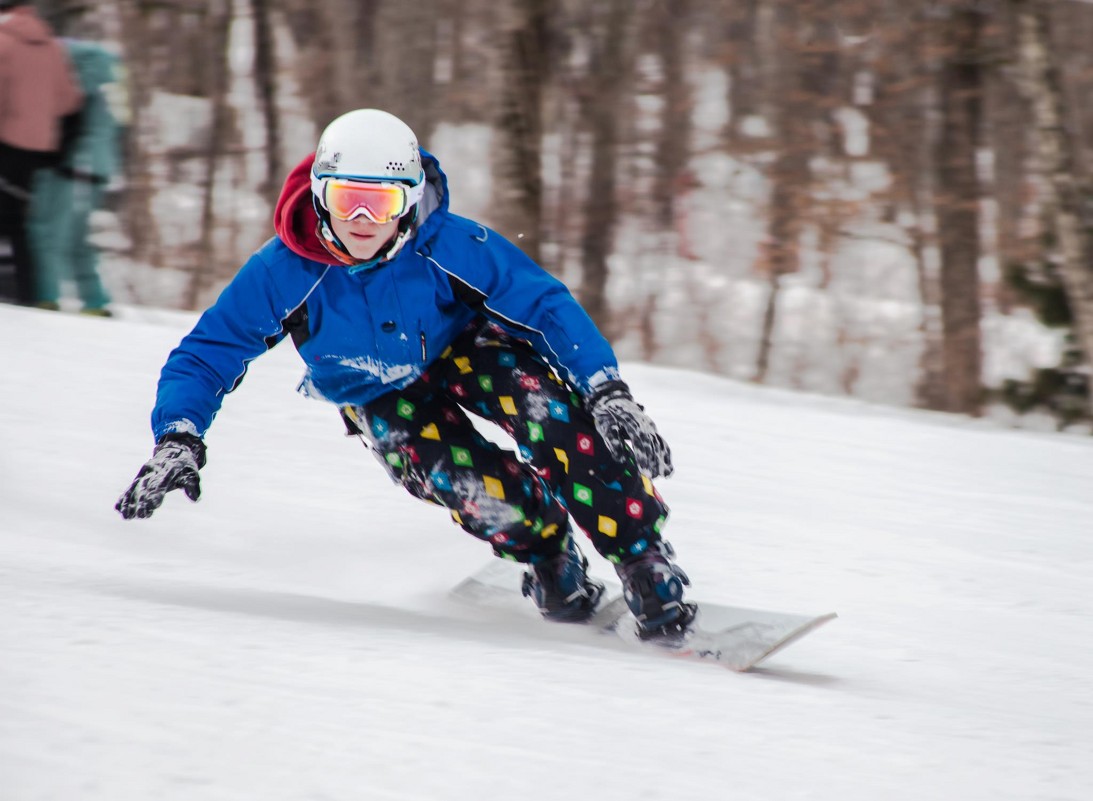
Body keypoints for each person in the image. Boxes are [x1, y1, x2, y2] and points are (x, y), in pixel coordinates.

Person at [115, 109, 695, 639]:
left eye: (382, 204)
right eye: (347, 202)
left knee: (552, 416)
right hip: (371, 387)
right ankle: (548, 554)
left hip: (465, 348)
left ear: (411, 201)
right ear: (319, 197)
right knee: (468, 485)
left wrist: (606, 389)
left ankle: (642, 557)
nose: (363, 222)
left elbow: (546, 306)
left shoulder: (450, 243)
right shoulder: (283, 271)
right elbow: (209, 351)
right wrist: (179, 434)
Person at [29, 39, 121, 316]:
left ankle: (45, 297)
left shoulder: (80, 85)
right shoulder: (99, 86)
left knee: (46, 234)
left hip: (76, 169)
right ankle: (94, 300)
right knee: (75, 239)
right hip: (91, 169)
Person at [0, 0, 83, 306]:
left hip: (5, 142)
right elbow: (69, 100)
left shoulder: (4, 41)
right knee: (16, 222)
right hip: (36, 148)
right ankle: (24, 290)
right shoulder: (52, 47)